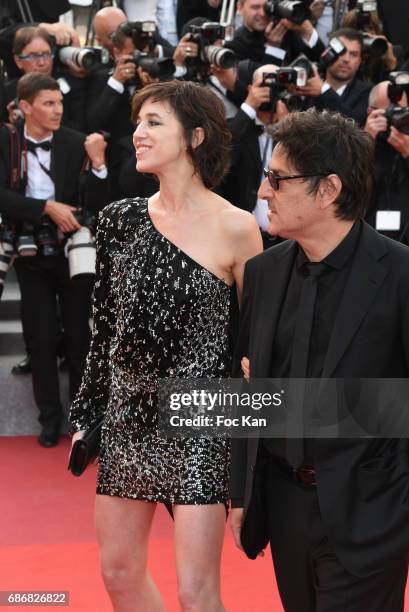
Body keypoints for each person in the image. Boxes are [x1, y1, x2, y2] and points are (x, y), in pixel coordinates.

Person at [69, 79, 262, 611]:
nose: (138, 133)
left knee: (196, 593)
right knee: (119, 573)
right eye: (138, 122)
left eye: (154, 122)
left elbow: (253, 342)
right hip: (129, 413)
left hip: (201, 417)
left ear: (195, 136)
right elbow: (103, 327)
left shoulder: (237, 227)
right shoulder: (119, 221)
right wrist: (89, 411)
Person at [230, 108, 409, 611]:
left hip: (370, 511)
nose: (264, 193)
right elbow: (249, 393)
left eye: (277, 179)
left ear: (328, 190)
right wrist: (242, 495)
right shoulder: (263, 273)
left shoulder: (399, 275)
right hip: (285, 507)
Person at [0, 73, 109, 447]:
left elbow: (98, 200)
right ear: (25, 107)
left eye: (59, 103)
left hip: (72, 253)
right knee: (42, 339)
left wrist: (98, 165)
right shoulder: (6, 140)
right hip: (30, 253)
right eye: (48, 104)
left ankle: (80, 422)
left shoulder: (76, 142)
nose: (57, 110)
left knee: (80, 338)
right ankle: (49, 418)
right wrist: (45, 207)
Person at [364, 80, 409, 243]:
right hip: (367, 238)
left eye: (401, 111)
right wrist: (366, 142)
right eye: (389, 112)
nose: (396, 117)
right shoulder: (356, 143)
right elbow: (347, 190)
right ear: (371, 112)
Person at [298, 28, 372, 126]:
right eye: (341, 52)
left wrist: (324, 91)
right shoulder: (308, 85)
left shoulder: (368, 92)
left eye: (353, 54)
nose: (346, 59)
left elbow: (355, 125)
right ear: (328, 53)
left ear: (360, 61)